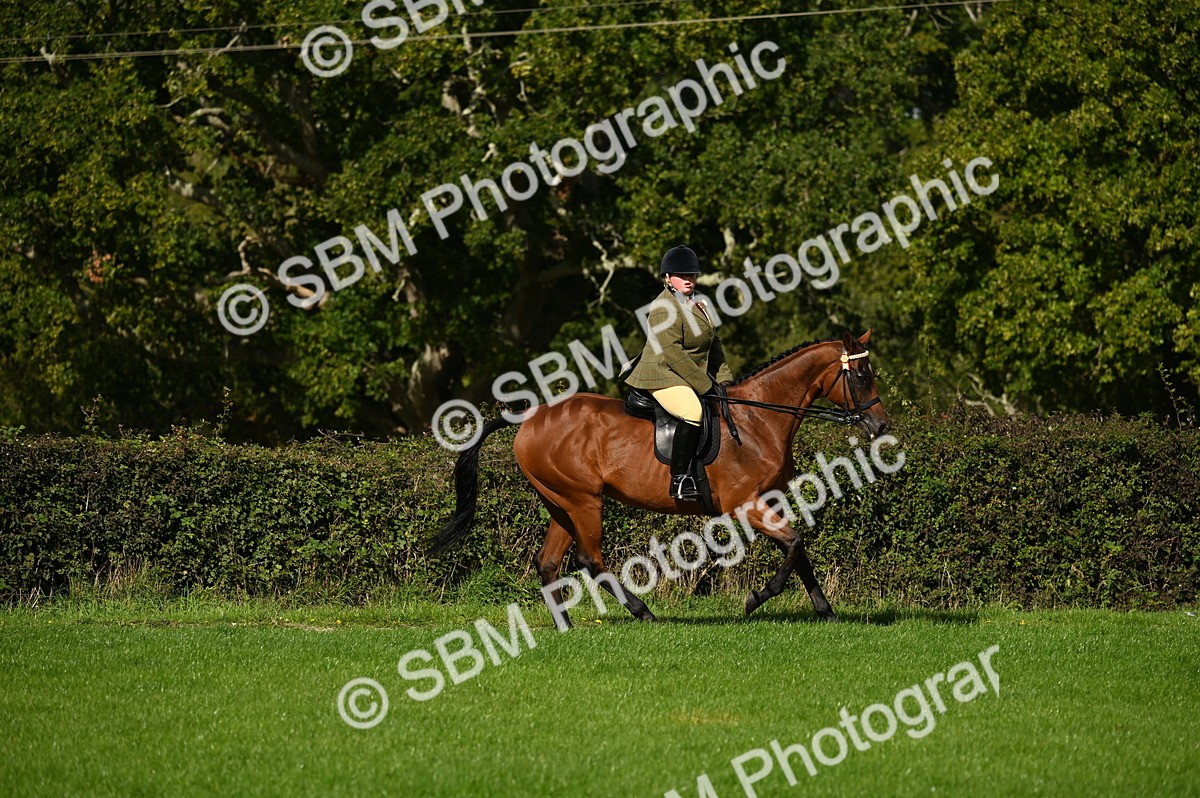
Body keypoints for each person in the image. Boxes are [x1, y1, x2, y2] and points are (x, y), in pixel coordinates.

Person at [624, 245, 734, 500]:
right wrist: (704, 386)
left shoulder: (701, 302)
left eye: (692, 275)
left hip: (686, 372)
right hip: (661, 373)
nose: (688, 279)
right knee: (693, 411)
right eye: (681, 274)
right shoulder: (663, 306)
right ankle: (680, 480)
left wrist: (725, 379)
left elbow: (713, 344)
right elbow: (673, 354)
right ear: (667, 278)